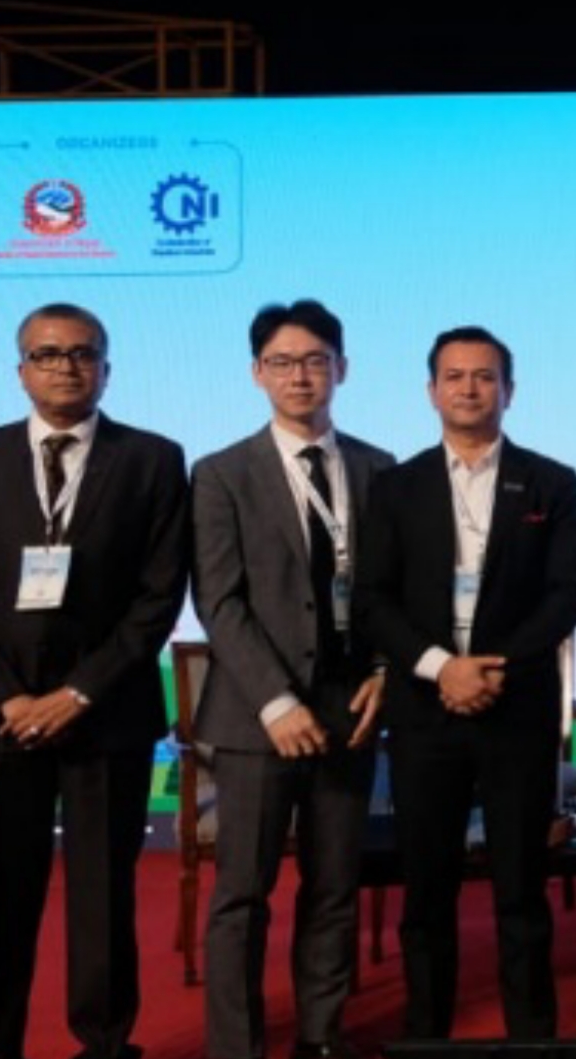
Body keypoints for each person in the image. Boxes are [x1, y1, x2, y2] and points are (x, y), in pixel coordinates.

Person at [0, 301, 189, 1059]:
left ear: (106, 368)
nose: (65, 366)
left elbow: (157, 599)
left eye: (82, 353)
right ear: (20, 371)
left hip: (107, 716)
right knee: (3, 904)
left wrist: (76, 694)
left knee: (102, 901)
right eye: (47, 353)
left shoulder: (152, 459)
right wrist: (7, 697)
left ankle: (104, 1046)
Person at [352, 325, 576, 1042]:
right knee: (428, 891)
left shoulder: (551, 482)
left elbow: (569, 593)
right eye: (454, 376)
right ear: (432, 391)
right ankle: (426, 1035)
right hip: (426, 711)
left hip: (514, 709)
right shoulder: (396, 487)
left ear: (508, 391)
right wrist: (442, 668)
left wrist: (492, 668)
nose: (469, 389)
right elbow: (373, 599)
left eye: (484, 376)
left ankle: (532, 1036)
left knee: (521, 890)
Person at [191, 299, 394, 1059]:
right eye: (282, 362)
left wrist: (385, 670)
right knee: (242, 895)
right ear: (257, 373)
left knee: (333, 889)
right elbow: (219, 601)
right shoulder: (221, 474)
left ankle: (321, 1037)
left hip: (349, 713)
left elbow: (396, 592)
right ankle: (236, 1047)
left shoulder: (379, 469)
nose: (299, 376)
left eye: (314, 361)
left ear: (341, 368)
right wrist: (276, 701)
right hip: (256, 720)